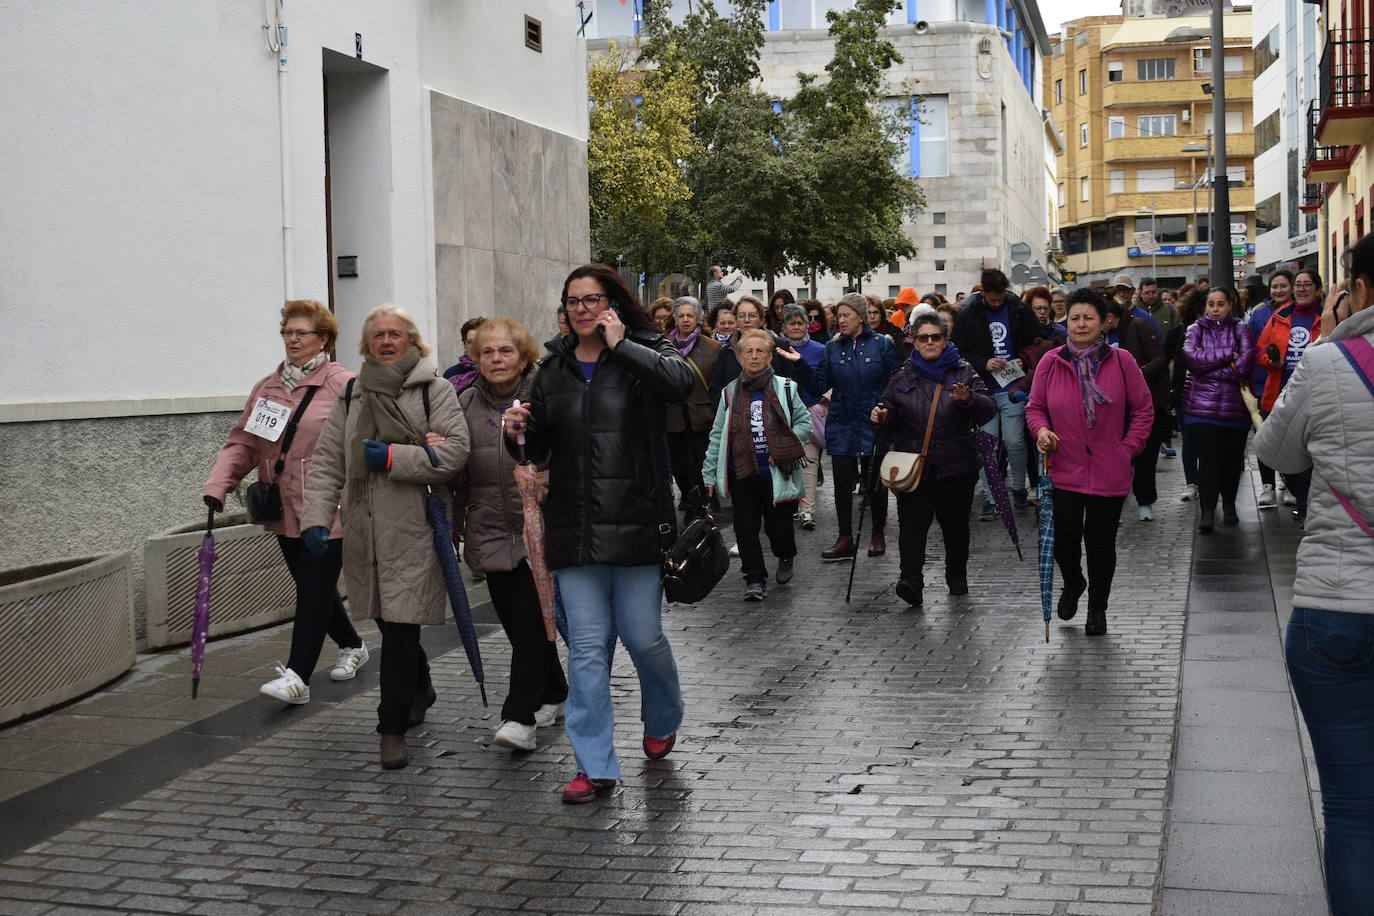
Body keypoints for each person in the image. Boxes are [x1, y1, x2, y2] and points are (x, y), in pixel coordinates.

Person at [502, 263, 693, 804]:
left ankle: (663, 715)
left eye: (592, 300)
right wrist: (519, 430)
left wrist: (622, 346)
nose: (582, 309)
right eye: (573, 302)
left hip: (636, 522)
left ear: (612, 304)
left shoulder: (647, 351)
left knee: (643, 638)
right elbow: (537, 446)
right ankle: (595, 766)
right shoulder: (553, 369)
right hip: (575, 527)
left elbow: (679, 388)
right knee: (586, 648)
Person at [1254, 232, 1374, 916]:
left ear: (1356, 289)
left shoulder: (1330, 361)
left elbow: (1278, 453)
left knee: (1357, 812)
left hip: (1340, 609)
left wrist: (1332, 338)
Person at [301, 305, 470, 769]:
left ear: (412, 340)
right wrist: (315, 518)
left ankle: (390, 728)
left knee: (398, 627)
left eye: (396, 334)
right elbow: (328, 463)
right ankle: (419, 686)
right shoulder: (352, 393)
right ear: (366, 345)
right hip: (363, 532)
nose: (387, 341)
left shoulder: (436, 390)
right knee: (389, 620)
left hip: (415, 530)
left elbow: (455, 455)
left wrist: (393, 458)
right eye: (379, 335)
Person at [205, 300, 367, 705]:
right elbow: (245, 441)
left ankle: (297, 677)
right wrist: (219, 484)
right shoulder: (269, 387)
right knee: (315, 588)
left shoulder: (344, 385)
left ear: (324, 339)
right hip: (283, 507)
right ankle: (353, 645)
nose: (293, 339)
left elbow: (363, 444)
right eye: (287, 332)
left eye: (302, 333)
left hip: (329, 507)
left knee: (313, 588)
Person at [454, 318, 567, 752]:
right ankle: (555, 692)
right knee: (522, 627)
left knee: (530, 620)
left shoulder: (546, 395)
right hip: (488, 530)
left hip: (539, 529)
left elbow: (567, 453)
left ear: (523, 356)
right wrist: (454, 521)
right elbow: (457, 470)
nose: (496, 359)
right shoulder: (464, 402)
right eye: (488, 352)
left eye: (505, 351)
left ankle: (519, 717)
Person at [1027, 288, 1153, 636]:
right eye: (1075, 317)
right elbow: (1035, 407)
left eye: (1089, 318)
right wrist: (1041, 432)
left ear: (1104, 323)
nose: (1080, 324)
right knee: (1065, 538)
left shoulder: (1122, 360)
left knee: (1100, 543)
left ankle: (1098, 608)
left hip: (1109, 468)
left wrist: (1128, 447)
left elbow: (1143, 408)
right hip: (1063, 467)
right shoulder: (1051, 361)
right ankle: (1073, 582)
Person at [871, 312, 995, 607]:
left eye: (935, 337)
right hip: (914, 467)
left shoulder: (964, 373)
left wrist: (968, 400)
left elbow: (988, 410)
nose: (929, 342)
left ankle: (956, 576)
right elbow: (886, 412)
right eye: (922, 337)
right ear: (913, 340)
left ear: (945, 340)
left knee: (955, 526)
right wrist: (880, 416)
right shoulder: (902, 375)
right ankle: (911, 581)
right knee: (912, 525)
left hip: (957, 465)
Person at [787, 293, 902, 559]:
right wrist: (801, 365)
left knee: (875, 484)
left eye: (846, 315)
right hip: (841, 424)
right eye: (838, 315)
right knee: (841, 482)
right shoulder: (832, 348)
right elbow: (818, 387)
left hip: (873, 422)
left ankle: (877, 534)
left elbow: (896, 381)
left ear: (860, 316)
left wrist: (885, 407)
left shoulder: (882, 345)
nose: (840, 320)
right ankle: (845, 537)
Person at [703, 328, 811, 601]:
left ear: (769, 355)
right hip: (742, 472)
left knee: (779, 530)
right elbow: (717, 434)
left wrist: (785, 445)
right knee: (745, 527)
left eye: (759, 351)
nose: (753, 356)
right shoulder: (729, 393)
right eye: (747, 351)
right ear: (739, 357)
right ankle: (754, 578)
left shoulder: (787, 388)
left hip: (779, 473)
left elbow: (804, 423)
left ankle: (785, 554)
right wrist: (708, 474)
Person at [952, 268, 1039, 515]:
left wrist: (1023, 358)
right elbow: (958, 351)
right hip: (984, 390)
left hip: (1013, 386)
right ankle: (993, 497)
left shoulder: (1019, 309)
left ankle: (1020, 488)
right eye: (992, 300)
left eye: (1000, 298)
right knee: (986, 446)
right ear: (983, 293)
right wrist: (984, 362)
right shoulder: (968, 315)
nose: (997, 303)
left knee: (1014, 440)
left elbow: (1036, 342)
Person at [1179, 286, 1255, 533]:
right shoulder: (1195, 330)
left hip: (1235, 410)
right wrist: (1227, 356)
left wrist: (1209, 367)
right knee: (1209, 461)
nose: (1215, 309)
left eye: (1220, 304)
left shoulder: (1241, 329)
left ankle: (1230, 504)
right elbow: (1192, 360)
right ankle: (1208, 511)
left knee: (1232, 462)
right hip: (1200, 409)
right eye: (1211, 304)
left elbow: (1244, 366)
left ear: (1230, 305)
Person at [1257, 267, 1323, 523]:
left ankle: (1306, 506)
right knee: (1283, 451)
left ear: (1317, 289)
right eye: (1298, 284)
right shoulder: (1280, 315)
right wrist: (1269, 361)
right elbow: (1261, 349)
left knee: (1310, 454)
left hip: (1315, 396)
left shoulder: (1326, 316)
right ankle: (1299, 495)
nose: (1302, 288)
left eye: (1307, 284)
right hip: (1281, 396)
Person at [1105, 295, 1169, 521]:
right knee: (1115, 457)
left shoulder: (1138, 326)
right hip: (1112, 407)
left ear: (1110, 318)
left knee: (1145, 455)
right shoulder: (1098, 337)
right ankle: (1115, 503)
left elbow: (1160, 357)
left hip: (1146, 401)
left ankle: (1145, 502)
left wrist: (1137, 374)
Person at [664, 296, 721, 519]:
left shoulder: (713, 347)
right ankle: (690, 500)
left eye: (690, 315)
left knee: (697, 466)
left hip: (702, 418)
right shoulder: (664, 346)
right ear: (675, 319)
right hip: (673, 417)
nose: (686, 320)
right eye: (681, 316)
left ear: (698, 318)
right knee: (678, 467)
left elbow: (717, 386)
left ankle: (698, 510)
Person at [779, 303, 828, 530]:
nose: (797, 327)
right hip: (781, 415)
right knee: (784, 465)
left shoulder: (820, 349)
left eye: (801, 322)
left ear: (807, 325)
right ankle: (786, 507)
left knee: (809, 464)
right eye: (792, 323)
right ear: (784, 326)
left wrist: (822, 404)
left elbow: (828, 380)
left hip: (809, 413)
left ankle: (806, 511)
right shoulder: (777, 348)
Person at [1249, 269, 1293, 509]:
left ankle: (1288, 482)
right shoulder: (1260, 314)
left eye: (1283, 286)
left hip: (1293, 387)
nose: (1279, 290)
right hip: (1264, 386)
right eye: (1275, 286)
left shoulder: (1299, 313)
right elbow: (1256, 350)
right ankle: (1267, 486)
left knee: (1290, 439)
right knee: (1265, 437)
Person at [709, 295, 796, 404]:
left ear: (761, 320)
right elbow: (716, 391)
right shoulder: (726, 353)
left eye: (752, 316)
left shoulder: (779, 347)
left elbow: (793, 386)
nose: (746, 320)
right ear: (736, 320)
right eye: (741, 316)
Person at [1166, 285, 1207, 501]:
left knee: (1209, 441)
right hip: (1185, 394)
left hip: (1212, 394)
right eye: (1201, 311)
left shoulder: (1221, 332)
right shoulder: (1178, 332)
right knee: (1189, 439)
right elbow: (1165, 361)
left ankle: (1208, 482)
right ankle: (1192, 482)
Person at [443, 316, 487, 394]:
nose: (474, 346)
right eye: (470, 342)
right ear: (464, 344)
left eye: (479, 341)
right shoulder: (451, 374)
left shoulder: (497, 371)